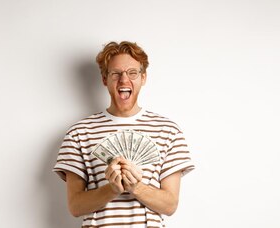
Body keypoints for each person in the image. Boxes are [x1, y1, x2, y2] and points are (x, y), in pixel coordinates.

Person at [53, 41, 195, 227]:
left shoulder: (168, 131)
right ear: (105, 79)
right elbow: (75, 207)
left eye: (132, 73)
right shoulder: (79, 133)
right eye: (116, 73)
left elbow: (170, 205)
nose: (124, 80)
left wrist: (136, 187)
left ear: (143, 78)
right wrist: (112, 189)